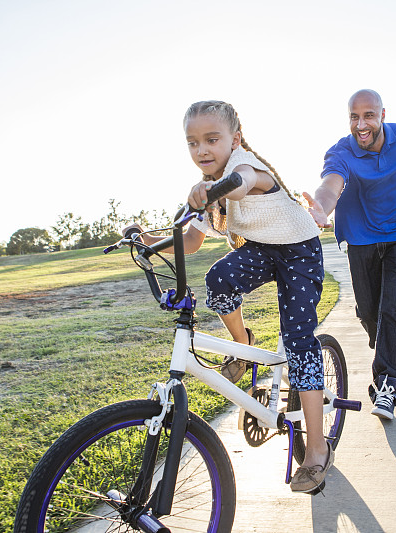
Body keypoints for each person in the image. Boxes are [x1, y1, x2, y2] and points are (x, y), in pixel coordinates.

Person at [124, 100, 333, 493]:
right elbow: (189, 240)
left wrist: (211, 188)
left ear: (234, 139)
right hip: (262, 248)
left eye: (211, 139)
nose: (202, 150)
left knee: (300, 341)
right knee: (219, 278)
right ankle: (243, 344)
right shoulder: (210, 189)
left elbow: (241, 182)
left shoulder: (247, 166)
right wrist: (146, 240)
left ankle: (317, 450)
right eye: (193, 143)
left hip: (299, 250)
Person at [304, 89, 396, 421]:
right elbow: (330, 184)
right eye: (354, 117)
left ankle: (387, 385)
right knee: (371, 313)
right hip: (362, 237)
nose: (361, 125)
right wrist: (321, 209)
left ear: (383, 114)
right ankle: (383, 342)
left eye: (369, 115)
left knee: (394, 307)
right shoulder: (342, 151)